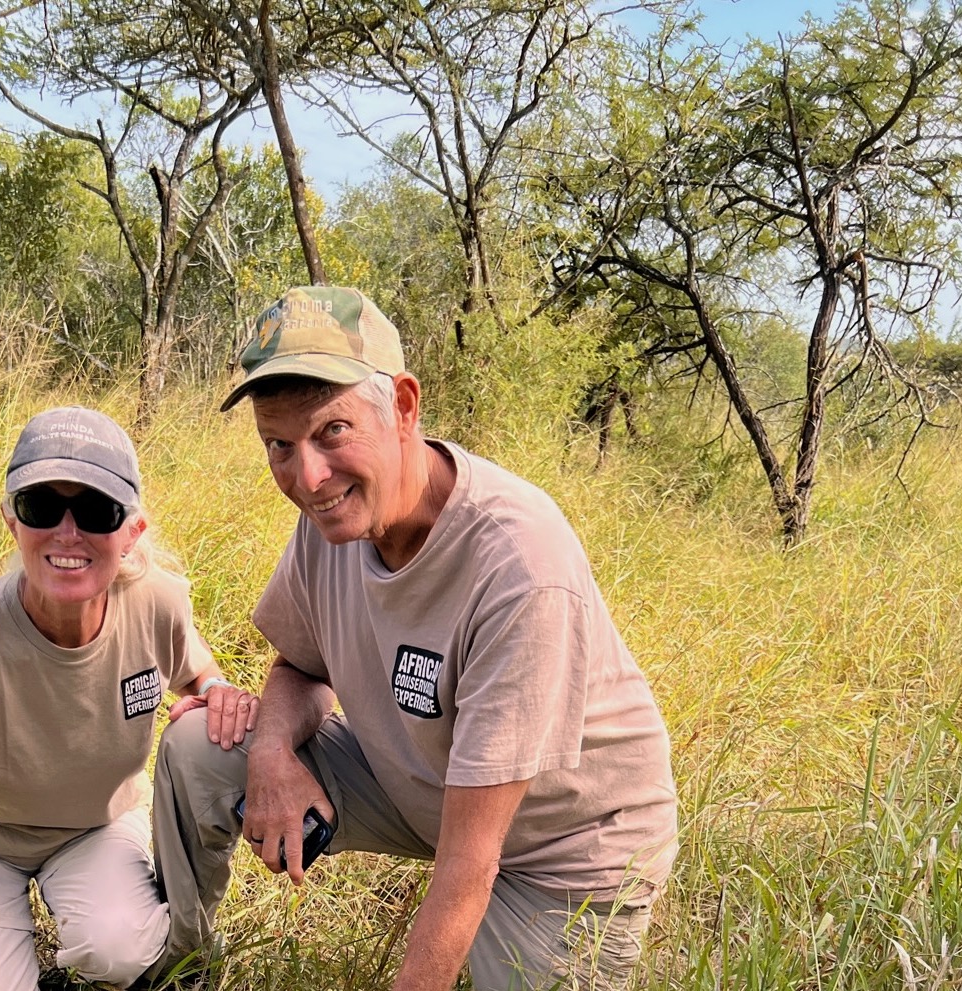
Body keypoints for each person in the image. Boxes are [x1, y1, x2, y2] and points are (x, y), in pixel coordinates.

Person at [150, 287, 679, 991]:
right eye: (279, 445)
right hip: (422, 779)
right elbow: (300, 666)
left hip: (562, 848)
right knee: (200, 747)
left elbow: (470, 859)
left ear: (402, 406)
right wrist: (272, 752)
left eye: (332, 431)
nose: (308, 477)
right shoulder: (331, 516)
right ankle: (175, 965)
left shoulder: (518, 564)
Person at [0, 406, 258, 991]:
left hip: (96, 827)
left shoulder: (157, 602)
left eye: (95, 510)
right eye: (42, 506)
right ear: (12, 521)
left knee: (121, 951)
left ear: (132, 530)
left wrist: (214, 692)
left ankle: (168, 943)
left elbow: (197, 669)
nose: (67, 532)